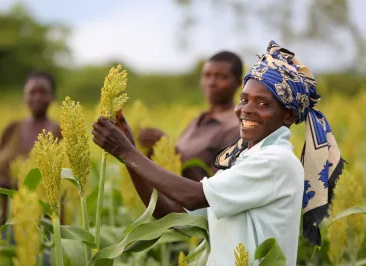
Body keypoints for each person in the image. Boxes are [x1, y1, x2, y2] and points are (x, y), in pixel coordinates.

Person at [92, 41, 344, 265]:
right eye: (244, 99)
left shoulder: (275, 161)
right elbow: (171, 213)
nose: (247, 109)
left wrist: (126, 152)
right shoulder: (244, 158)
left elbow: (193, 196)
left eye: (263, 103)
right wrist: (129, 155)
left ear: (288, 115)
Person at [138, 51, 243, 181]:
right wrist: (156, 149)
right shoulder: (197, 120)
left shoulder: (236, 128)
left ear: (238, 83)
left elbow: (217, 185)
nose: (211, 82)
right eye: (207, 75)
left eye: (221, 77)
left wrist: (170, 150)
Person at [0, 70, 62, 225]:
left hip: (48, 226)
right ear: (24, 96)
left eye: (43, 92)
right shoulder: (11, 129)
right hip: (9, 222)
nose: (37, 97)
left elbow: (69, 181)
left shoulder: (62, 132)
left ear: (52, 97)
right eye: (32, 92)